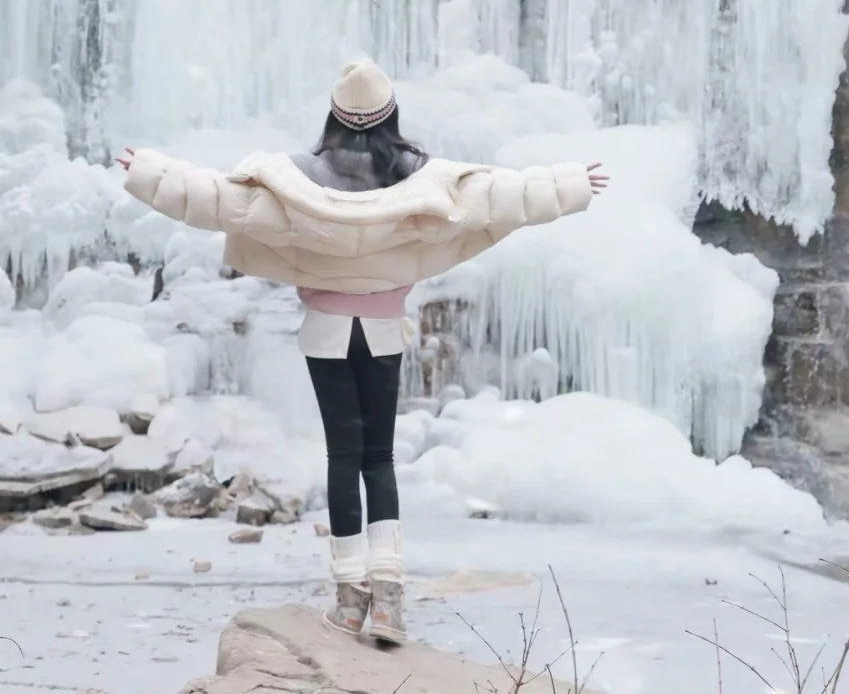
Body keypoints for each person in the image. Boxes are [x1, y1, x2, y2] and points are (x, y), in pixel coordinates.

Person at [117, 57, 607, 648]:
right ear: (389, 116)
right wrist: (570, 181)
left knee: (343, 459)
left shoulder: (299, 180)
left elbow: (216, 200)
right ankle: (391, 606)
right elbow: (501, 195)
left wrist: (148, 171)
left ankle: (349, 605)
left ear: (334, 116)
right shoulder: (417, 180)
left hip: (326, 332)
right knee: (381, 460)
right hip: (381, 334)